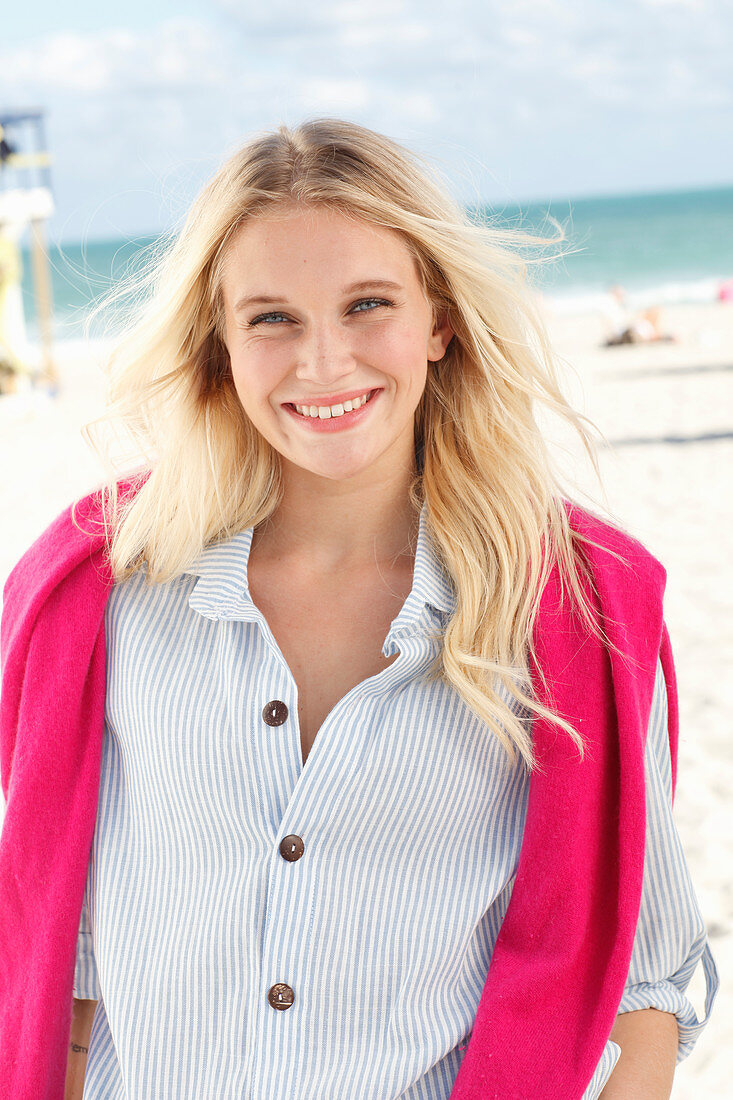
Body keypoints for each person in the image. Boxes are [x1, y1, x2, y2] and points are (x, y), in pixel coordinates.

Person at [0, 118, 718, 1100]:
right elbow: (64, 973)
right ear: (219, 341)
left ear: (438, 319)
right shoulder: (106, 601)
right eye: (271, 318)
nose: (323, 361)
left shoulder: (576, 612)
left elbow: (640, 991)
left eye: (366, 303)